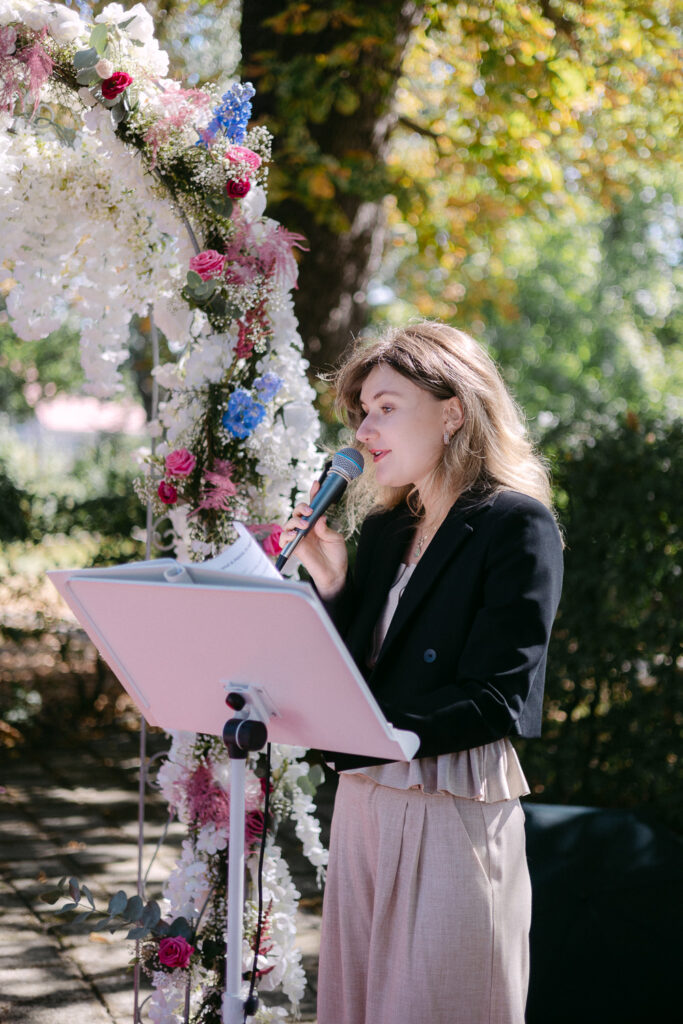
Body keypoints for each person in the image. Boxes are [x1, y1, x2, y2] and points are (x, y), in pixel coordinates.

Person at [279, 321, 564, 1024]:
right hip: (364, 800)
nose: (363, 430)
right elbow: (355, 671)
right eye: (360, 413)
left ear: (452, 410)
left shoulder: (515, 525)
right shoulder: (383, 532)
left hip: (451, 800)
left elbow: (502, 693)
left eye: (384, 406)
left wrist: (392, 736)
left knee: (435, 1002)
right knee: (360, 1002)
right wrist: (331, 579)